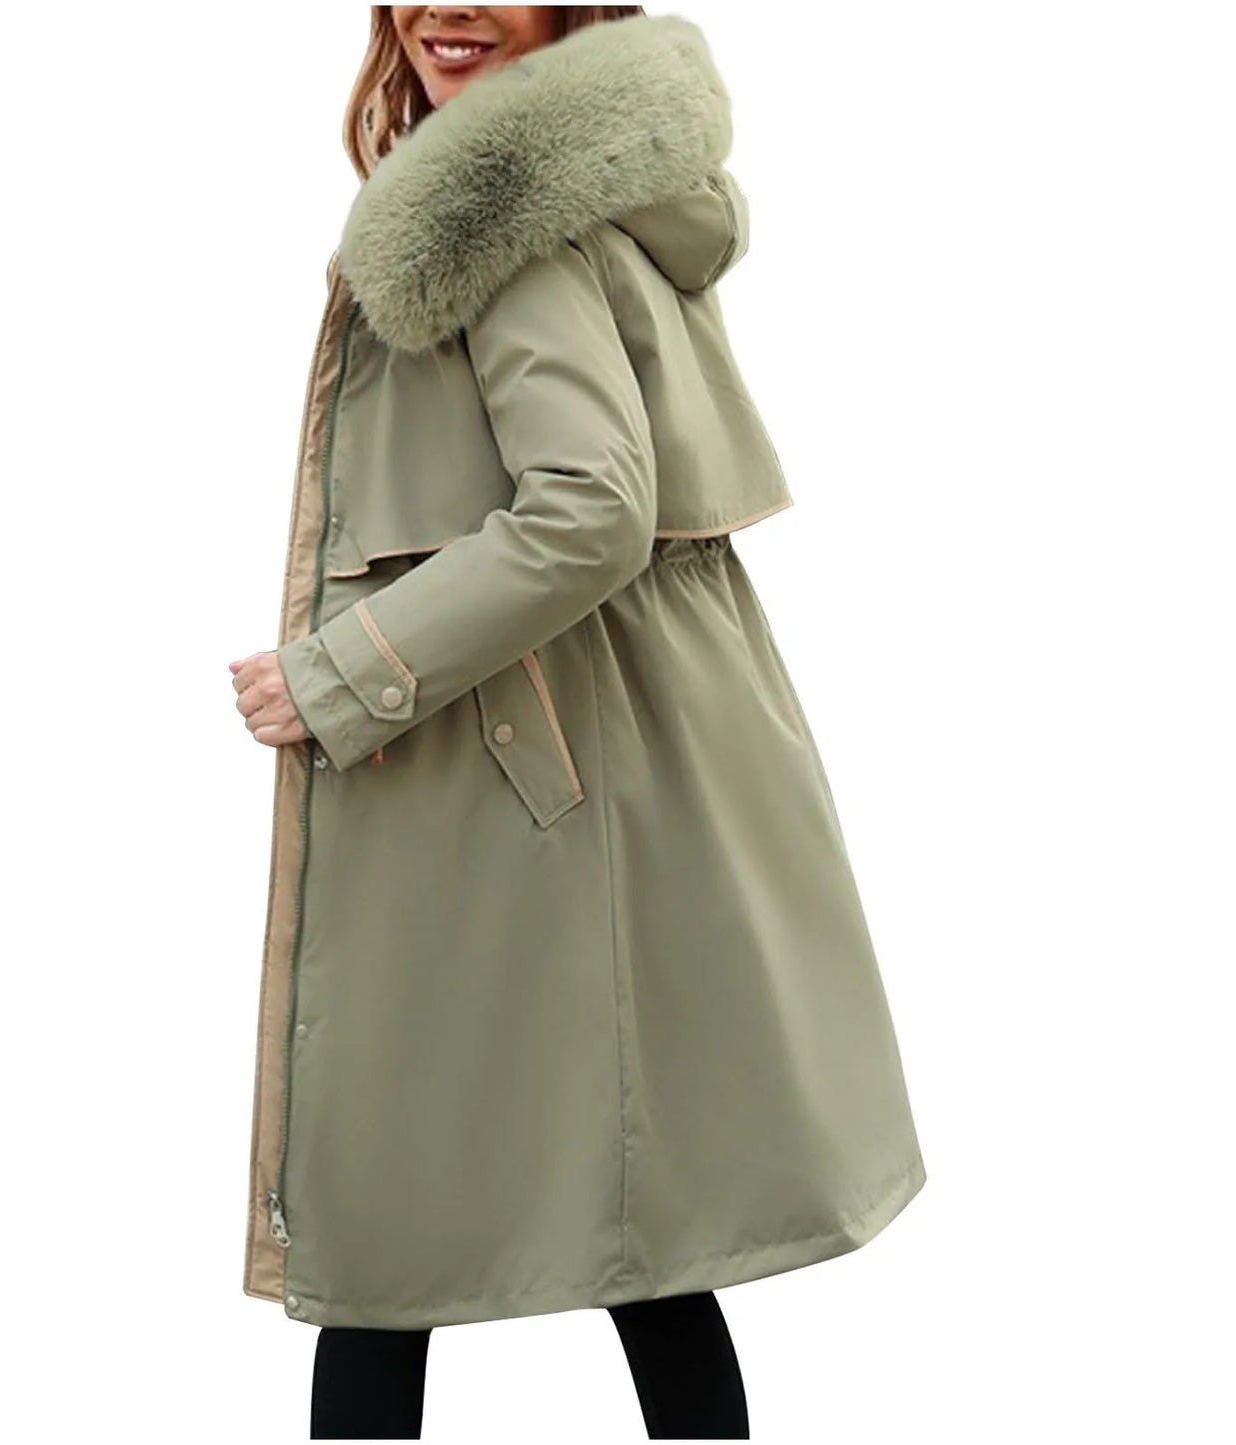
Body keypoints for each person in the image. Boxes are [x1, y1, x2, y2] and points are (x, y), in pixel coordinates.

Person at [230, 7, 927, 1438]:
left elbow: (591, 508)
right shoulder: (589, 184)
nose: (446, 10)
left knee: (385, 1233)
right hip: (579, 756)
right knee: (637, 1232)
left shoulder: (502, 211)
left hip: (501, 773)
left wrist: (343, 671)